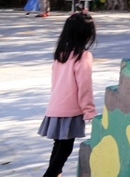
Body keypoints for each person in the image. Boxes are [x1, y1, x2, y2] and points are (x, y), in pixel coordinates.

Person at [38, 12, 97, 177]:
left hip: (55, 106)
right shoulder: (83, 56)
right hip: (70, 110)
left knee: (59, 147)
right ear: (87, 35)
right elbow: (84, 86)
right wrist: (89, 110)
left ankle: (55, 174)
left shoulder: (61, 53)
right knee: (64, 149)